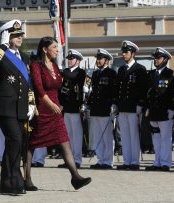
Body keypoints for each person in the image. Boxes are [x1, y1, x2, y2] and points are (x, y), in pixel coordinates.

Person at [27, 36, 91, 190]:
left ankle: (75, 176)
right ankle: (26, 178)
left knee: (64, 140)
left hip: (55, 109)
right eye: (54, 47)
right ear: (44, 49)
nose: (57, 50)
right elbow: (39, 88)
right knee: (32, 143)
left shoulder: (55, 67)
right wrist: (51, 105)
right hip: (42, 109)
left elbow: (59, 87)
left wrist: (59, 105)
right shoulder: (36, 65)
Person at [0, 19, 37, 194]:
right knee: (15, 139)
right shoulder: (1, 53)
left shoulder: (23, 57)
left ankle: (9, 182)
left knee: (17, 142)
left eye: (20, 35)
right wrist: (2, 45)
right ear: (7, 36)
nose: (19, 38)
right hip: (5, 106)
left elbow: (27, 82)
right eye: (15, 35)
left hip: (20, 106)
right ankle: (13, 180)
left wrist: (31, 102)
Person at [145, 47, 174, 171]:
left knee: (166, 138)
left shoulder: (171, 74)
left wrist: (173, 109)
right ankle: (157, 162)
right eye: (155, 58)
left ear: (165, 59)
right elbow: (148, 93)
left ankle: (166, 163)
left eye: (158, 58)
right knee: (156, 138)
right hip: (153, 111)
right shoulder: (151, 74)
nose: (156, 60)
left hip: (165, 111)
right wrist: (146, 108)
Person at [114, 40, 148, 170]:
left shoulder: (140, 69)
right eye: (123, 52)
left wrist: (141, 103)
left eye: (126, 52)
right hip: (123, 107)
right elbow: (119, 88)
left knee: (134, 135)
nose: (124, 54)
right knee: (125, 135)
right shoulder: (121, 69)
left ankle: (134, 161)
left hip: (134, 107)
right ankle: (127, 161)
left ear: (133, 53)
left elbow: (143, 89)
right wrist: (116, 104)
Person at [87, 48, 117, 169]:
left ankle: (108, 161)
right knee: (97, 136)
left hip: (106, 108)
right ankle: (100, 159)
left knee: (107, 137)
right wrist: (88, 103)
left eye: (100, 59)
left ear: (107, 60)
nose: (98, 61)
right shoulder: (95, 73)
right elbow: (94, 91)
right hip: (96, 108)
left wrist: (114, 104)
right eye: (97, 58)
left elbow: (114, 91)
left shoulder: (111, 73)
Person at [58, 49, 86, 168]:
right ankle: (69, 159)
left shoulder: (80, 72)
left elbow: (76, 86)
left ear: (78, 61)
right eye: (68, 59)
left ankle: (77, 159)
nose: (69, 61)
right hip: (66, 107)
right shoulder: (65, 72)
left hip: (75, 106)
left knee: (77, 135)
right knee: (67, 135)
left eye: (72, 59)